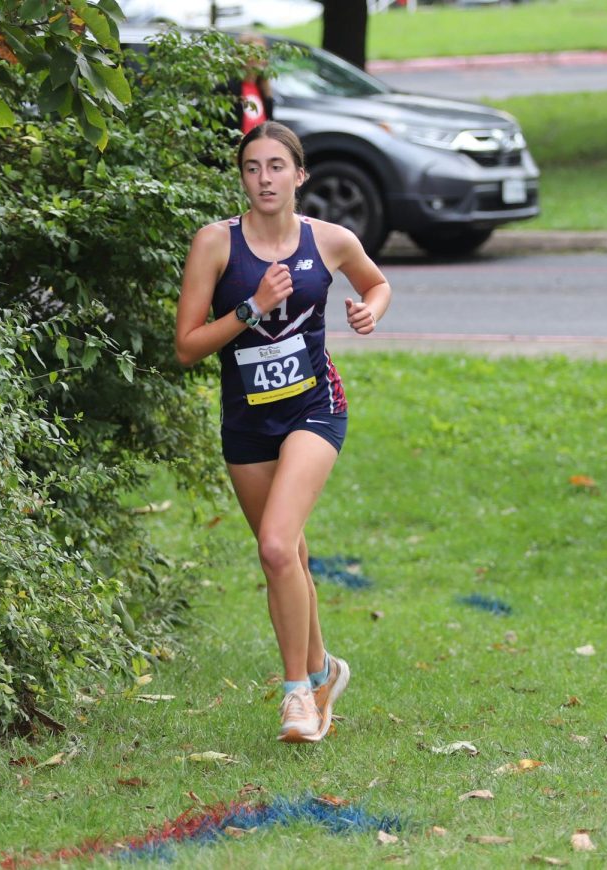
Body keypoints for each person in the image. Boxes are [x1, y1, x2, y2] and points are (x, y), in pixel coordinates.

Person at [174, 121, 390, 743]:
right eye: (252, 168)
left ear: (299, 176)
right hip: (247, 420)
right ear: (242, 177)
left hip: (314, 408)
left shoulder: (330, 240)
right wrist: (250, 309)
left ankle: (296, 693)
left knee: (274, 545)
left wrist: (367, 312)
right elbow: (187, 346)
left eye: (276, 167)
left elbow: (376, 283)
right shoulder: (216, 245)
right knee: (288, 553)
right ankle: (324, 672)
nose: (264, 178)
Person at [227, 33, 274, 135]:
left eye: (264, 53)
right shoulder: (227, 89)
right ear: (241, 56)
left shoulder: (265, 92)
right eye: (256, 53)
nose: (261, 58)